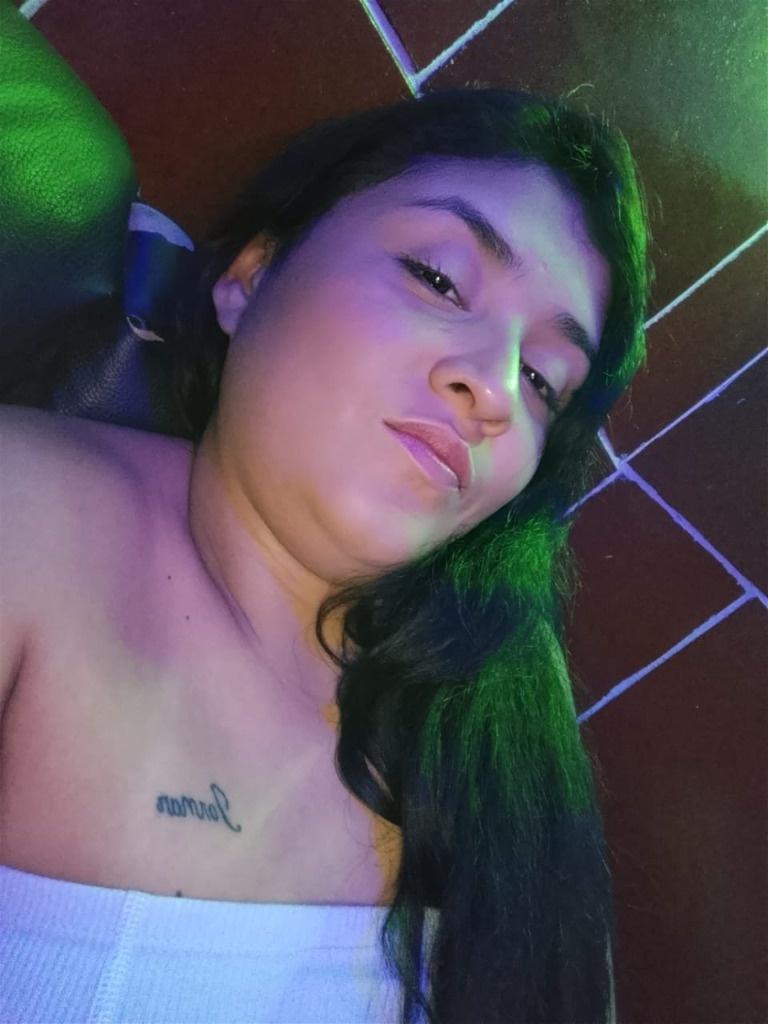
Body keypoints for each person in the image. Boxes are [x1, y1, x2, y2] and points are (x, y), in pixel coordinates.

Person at [0, 17, 651, 1021]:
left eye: (542, 379)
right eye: (439, 278)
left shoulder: (504, 710)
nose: (491, 385)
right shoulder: (26, 519)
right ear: (250, 277)